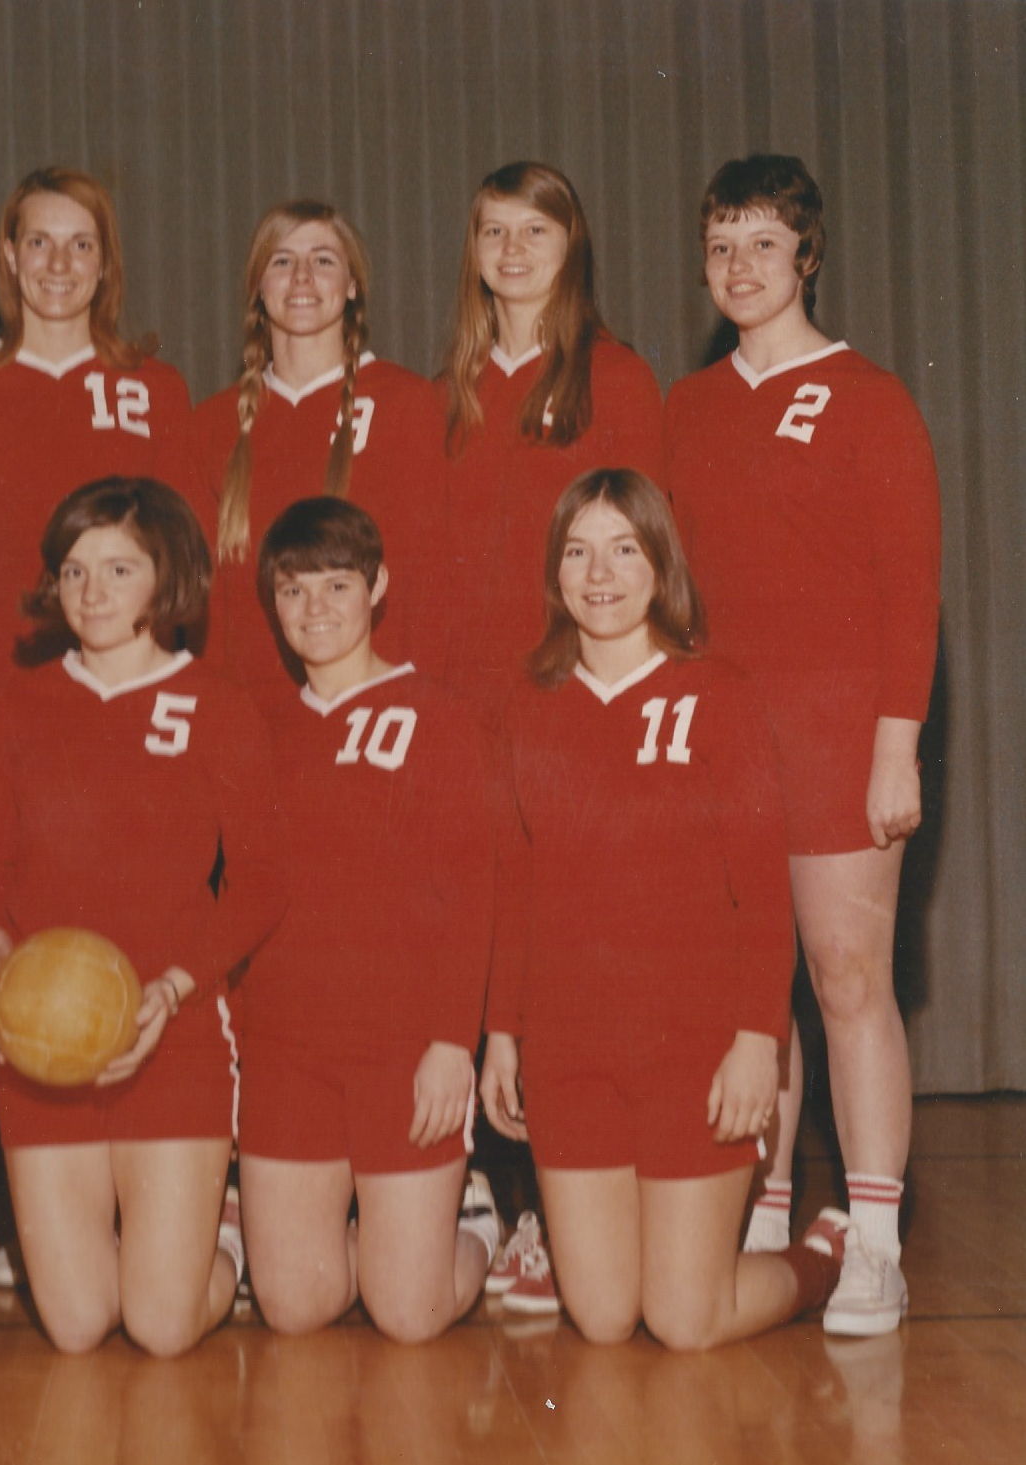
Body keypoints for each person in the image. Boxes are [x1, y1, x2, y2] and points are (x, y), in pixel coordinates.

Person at [478, 468, 849, 1350]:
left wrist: (759, 1041)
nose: (598, 574)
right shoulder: (527, 704)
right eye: (577, 552)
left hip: (695, 1047)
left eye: (623, 549)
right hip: (572, 1052)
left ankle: (826, 1254)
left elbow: (762, 887)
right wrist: (501, 1033)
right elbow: (514, 879)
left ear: (661, 565)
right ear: (554, 572)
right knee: (603, 1318)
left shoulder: (717, 693)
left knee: (686, 1320)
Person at [665, 155, 940, 1337]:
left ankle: (873, 1240)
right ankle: (766, 1212)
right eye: (721, 245)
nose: (739, 267)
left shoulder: (869, 396)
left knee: (844, 977)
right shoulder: (685, 409)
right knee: (742, 989)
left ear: (806, 257)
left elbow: (909, 587)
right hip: (721, 741)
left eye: (762, 245)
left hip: (835, 734)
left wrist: (896, 746)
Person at [0, 478, 282, 1356]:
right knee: (74, 1327)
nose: (91, 592)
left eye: (118, 568)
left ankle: (217, 1237)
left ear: (165, 576)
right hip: (43, 1037)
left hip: (166, 1027)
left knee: (161, 1325)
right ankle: (141, 1243)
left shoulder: (219, 706)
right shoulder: (18, 707)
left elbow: (260, 880)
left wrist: (176, 988)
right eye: (73, 571)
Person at [236, 498, 498, 1341]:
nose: (314, 609)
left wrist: (453, 1042)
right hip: (289, 1050)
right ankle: (353, 1233)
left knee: (409, 1315)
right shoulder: (259, 730)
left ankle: (475, 1225)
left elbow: (471, 889)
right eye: (292, 590)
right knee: (296, 1306)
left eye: (337, 585)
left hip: (404, 1049)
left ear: (378, 586)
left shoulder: (437, 716)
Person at [0, 166, 191, 717]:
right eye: (39, 242)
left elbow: (178, 562)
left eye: (81, 245)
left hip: (129, 683)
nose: (58, 264)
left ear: (104, 264)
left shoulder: (156, 390)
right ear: (9, 255)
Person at [180, 202, 443, 710]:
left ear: (352, 286)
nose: (301, 276)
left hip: (374, 703)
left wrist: (411, 699)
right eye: (281, 261)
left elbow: (429, 577)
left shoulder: (406, 403)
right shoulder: (211, 424)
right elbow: (202, 599)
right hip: (247, 708)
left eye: (323, 260)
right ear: (258, 286)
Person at [438, 161, 663, 716]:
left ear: (572, 245)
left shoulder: (616, 377)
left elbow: (647, 553)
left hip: (572, 684)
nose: (512, 247)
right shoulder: (445, 395)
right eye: (494, 231)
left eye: (535, 229)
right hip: (460, 690)